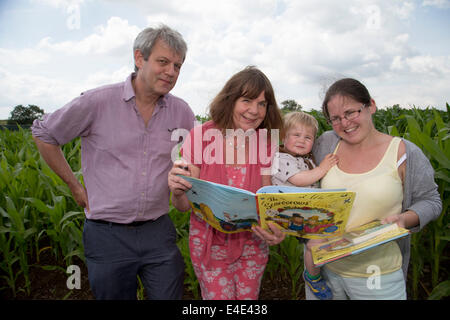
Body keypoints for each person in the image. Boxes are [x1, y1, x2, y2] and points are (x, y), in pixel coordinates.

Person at [31, 25, 196, 300]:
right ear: (139, 58)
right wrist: (74, 186)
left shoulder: (181, 111)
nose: (171, 72)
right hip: (107, 235)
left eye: (178, 66)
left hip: (159, 231)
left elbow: (206, 150)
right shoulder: (97, 101)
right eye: (163, 62)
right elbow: (44, 134)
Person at [304, 78, 442, 299]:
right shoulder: (327, 144)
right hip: (324, 271)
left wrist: (405, 219)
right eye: (336, 119)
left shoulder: (404, 152)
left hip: (378, 274)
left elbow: (431, 201)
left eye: (351, 112)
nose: (345, 123)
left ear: (371, 105)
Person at [168, 66, 283, 300]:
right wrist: (178, 192)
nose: (255, 110)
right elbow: (183, 205)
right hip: (210, 245)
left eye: (262, 104)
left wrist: (277, 229)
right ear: (230, 100)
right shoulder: (200, 137)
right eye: (247, 100)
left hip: (253, 241)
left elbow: (266, 200)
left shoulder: (266, 143)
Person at [271, 111, 338, 300]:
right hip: (286, 212)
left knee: (320, 238)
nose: (302, 140)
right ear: (283, 136)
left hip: (303, 211)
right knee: (314, 243)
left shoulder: (305, 159)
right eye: (296, 135)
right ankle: (312, 277)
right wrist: (323, 168)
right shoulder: (281, 158)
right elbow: (300, 180)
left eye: (308, 137)